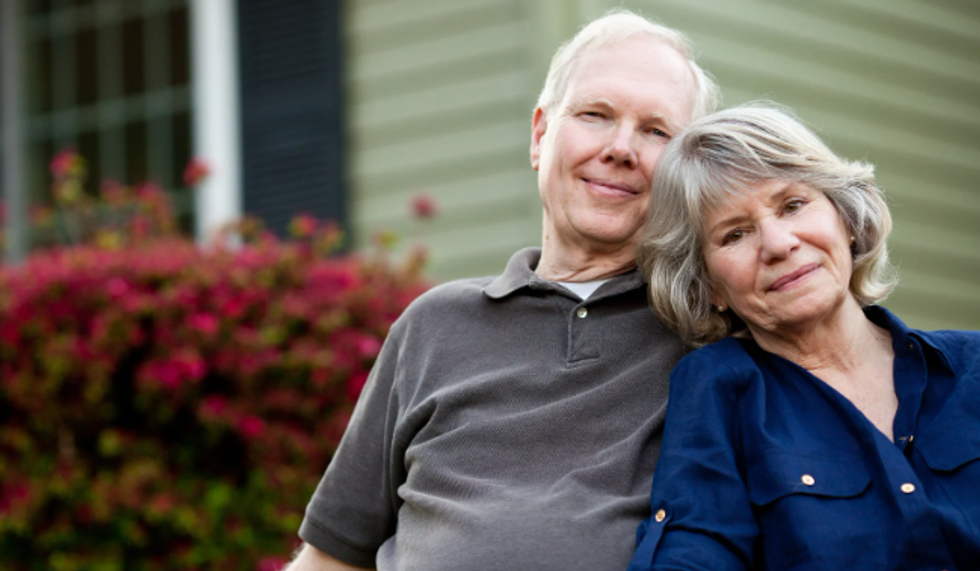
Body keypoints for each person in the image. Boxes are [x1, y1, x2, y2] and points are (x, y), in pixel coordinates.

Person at [284, 9, 719, 571]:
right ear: (540, 136)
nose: (621, 147)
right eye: (595, 114)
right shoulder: (434, 326)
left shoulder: (708, 332)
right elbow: (330, 558)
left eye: (656, 131)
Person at [627, 103, 980, 571]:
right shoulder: (722, 390)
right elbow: (696, 548)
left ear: (845, 218)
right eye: (735, 235)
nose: (778, 244)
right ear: (710, 287)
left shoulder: (972, 366)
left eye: (793, 206)